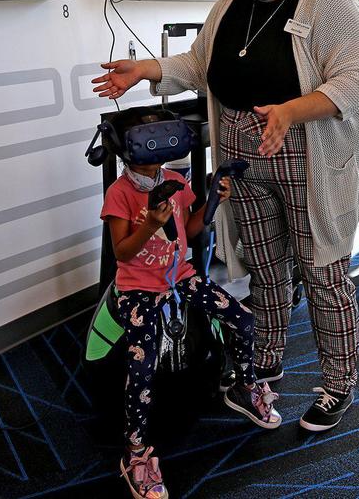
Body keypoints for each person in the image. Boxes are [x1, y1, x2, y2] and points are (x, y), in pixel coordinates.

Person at [93, 0, 359, 433]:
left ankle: (338, 383)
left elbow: (353, 82)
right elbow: (198, 64)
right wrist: (146, 69)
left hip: (307, 152)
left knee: (322, 270)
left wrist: (290, 111)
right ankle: (263, 365)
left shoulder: (332, 3)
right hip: (241, 156)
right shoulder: (230, 2)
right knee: (265, 267)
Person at [101, 116, 280, 499]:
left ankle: (245, 388)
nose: (154, 160)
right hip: (140, 288)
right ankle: (135, 453)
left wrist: (213, 199)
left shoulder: (177, 183)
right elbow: (121, 252)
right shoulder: (120, 194)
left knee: (243, 319)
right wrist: (149, 225)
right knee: (142, 364)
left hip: (181, 275)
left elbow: (192, 229)